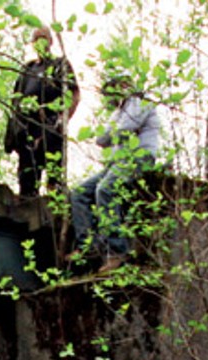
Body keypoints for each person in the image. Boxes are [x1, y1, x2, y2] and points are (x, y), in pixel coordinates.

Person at [68, 73, 164, 273]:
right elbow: (102, 139)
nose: (110, 96)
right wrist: (113, 133)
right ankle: (88, 247)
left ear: (124, 85)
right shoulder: (119, 111)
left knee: (105, 189)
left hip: (139, 157)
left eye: (113, 89)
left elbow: (124, 128)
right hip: (118, 162)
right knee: (79, 193)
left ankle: (117, 252)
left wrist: (114, 133)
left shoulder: (141, 102)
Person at [5, 24, 80, 198]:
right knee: (27, 181)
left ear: (51, 41)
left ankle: (56, 210)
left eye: (43, 38)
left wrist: (63, 119)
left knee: (54, 180)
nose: (40, 42)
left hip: (51, 128)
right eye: (36, 39)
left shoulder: (59, 65)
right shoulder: (27, 69)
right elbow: (15, 101)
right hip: (28, 132)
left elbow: (74, 94)